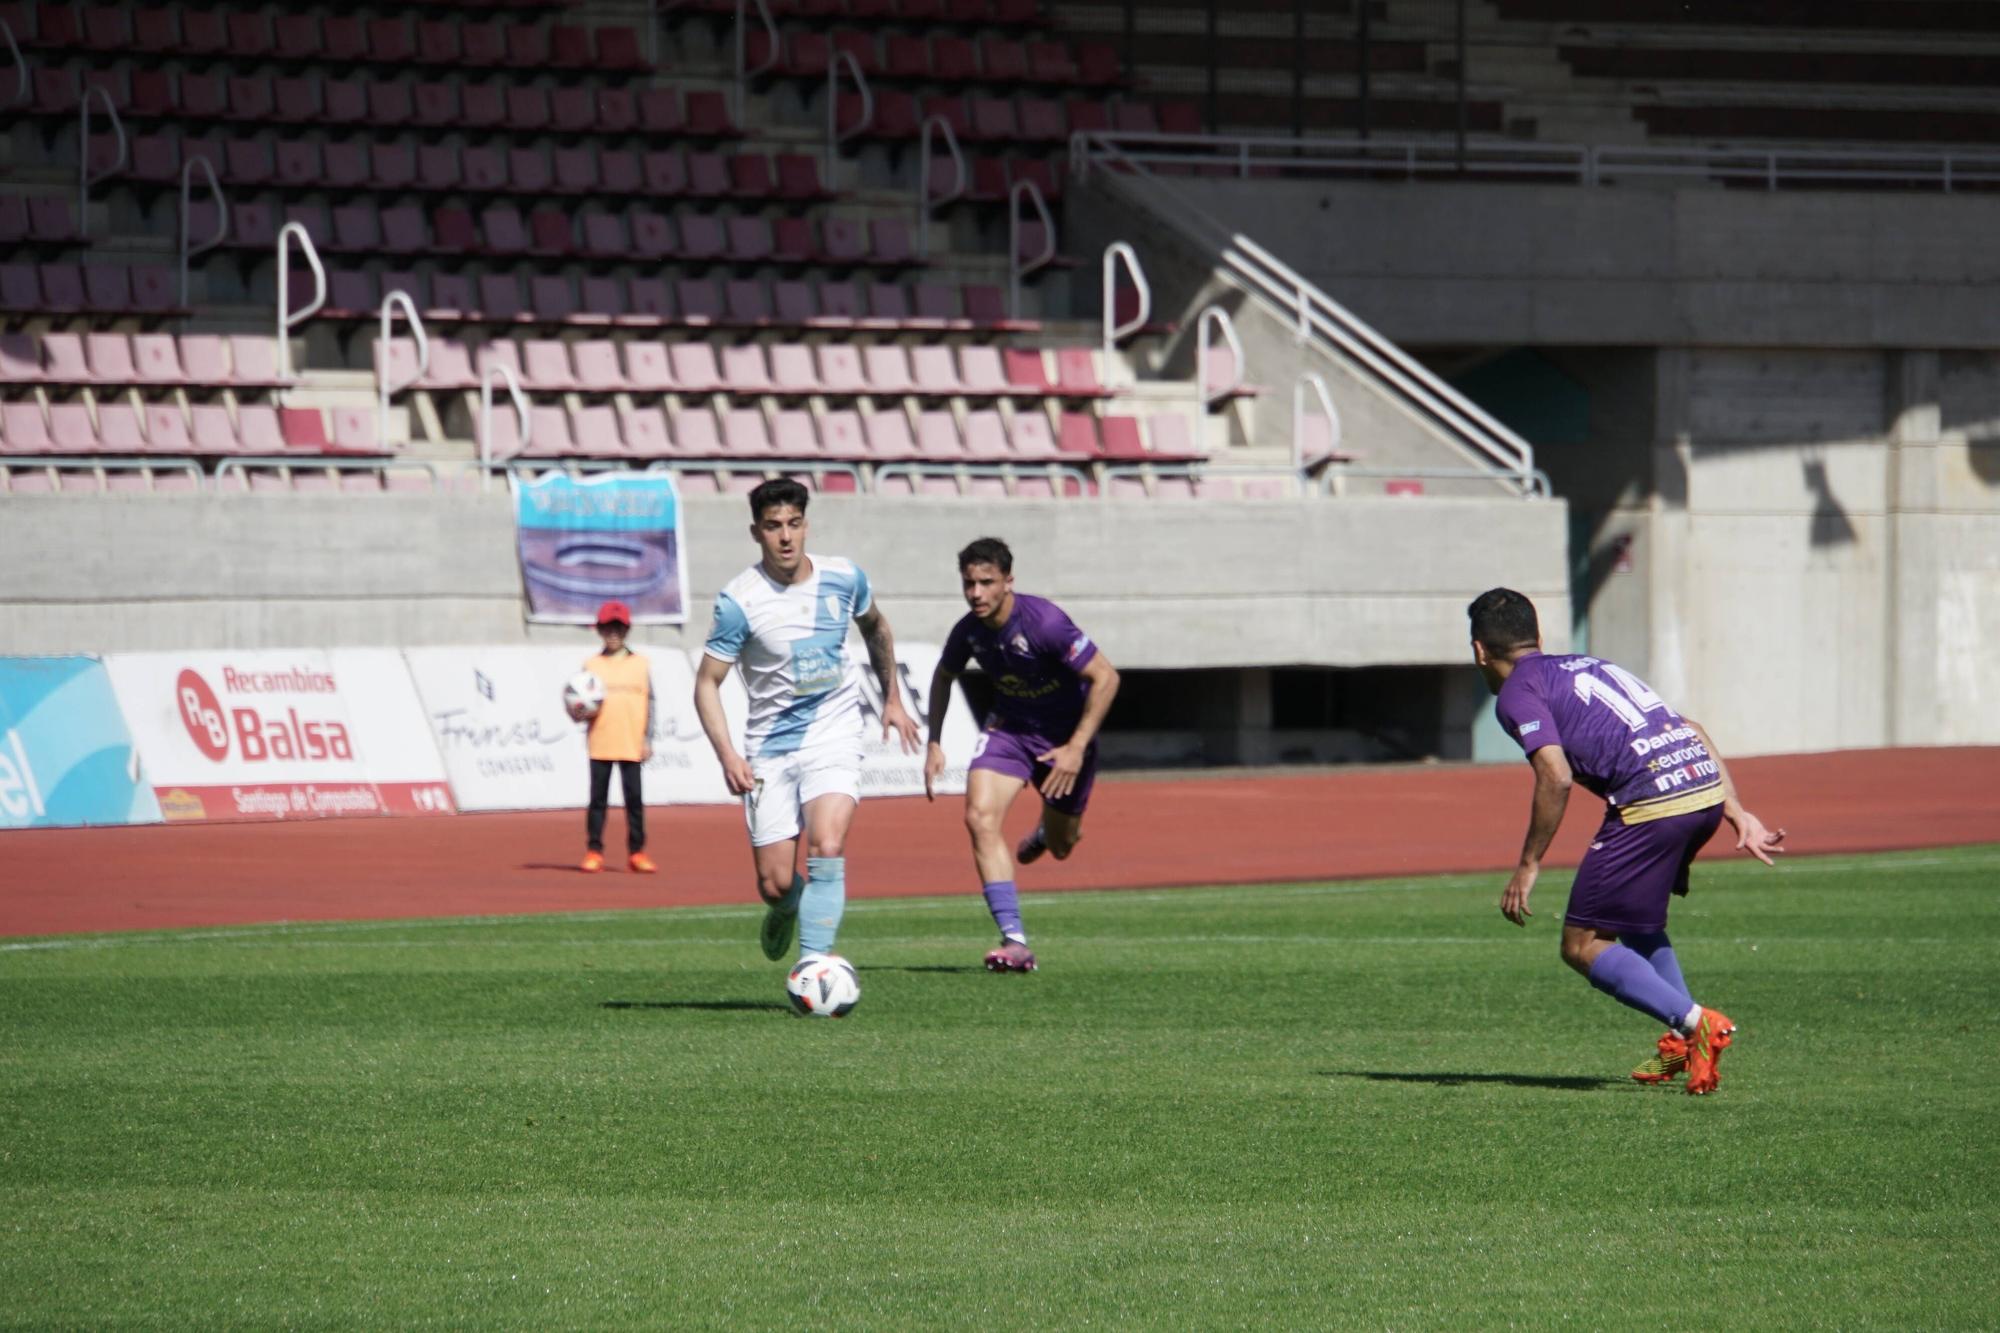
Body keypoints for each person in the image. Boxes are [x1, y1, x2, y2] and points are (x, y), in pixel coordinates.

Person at [1469, 587, 1785, 1095]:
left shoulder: (1516, 694)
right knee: (1636, 923)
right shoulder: (1586, 663)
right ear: (1539, 638)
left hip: (1652, 806)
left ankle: (1696, 1022)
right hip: (1702, 791)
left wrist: (1528, 864)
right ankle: (1686, 1041)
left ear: (1480, 650)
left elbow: (1556, 776)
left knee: (1582, 943)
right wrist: (1735, 810)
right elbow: (1692, 727)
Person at [692, 479, 922, 965]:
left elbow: (876, 626)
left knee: (828, 844)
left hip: (833, 736)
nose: (785, 538)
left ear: (805, 526)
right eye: (773, 527)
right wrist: (729, 755)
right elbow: (707, 684)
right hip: (770, 749)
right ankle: (786, 907)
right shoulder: (739, 601)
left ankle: (814, 966)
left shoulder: (844, 577)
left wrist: (893, 698)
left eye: (794, 525)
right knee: (775, 884)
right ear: (756, 532)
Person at [923, 537, 1120, 972]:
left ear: (1008, 582)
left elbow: (1106, 677)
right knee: (978, 817)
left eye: (986, 582)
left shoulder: (1045, 623)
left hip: (1064, 740)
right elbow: (942, 676)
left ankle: (1049, 835)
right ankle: (1015, 940)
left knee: (1065, 844)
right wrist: (934, 740)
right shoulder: (968, 631)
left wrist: (1076, 747)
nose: (976, 593)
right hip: (1009, 731)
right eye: (969, 583)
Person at [578, 599, 656, 875]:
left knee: (634, 801)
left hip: (632, 742)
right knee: (597, 801)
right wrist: (578, 713)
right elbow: (578, 701)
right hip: (601, 741)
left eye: (618, 629)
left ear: (626, 631)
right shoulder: (591, 664)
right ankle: (594, 850)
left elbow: (651, 702)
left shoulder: (641, 664)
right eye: (607, 628)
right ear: (599, 630)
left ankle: (637, 852)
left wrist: (648, 738)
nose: (612, 634)